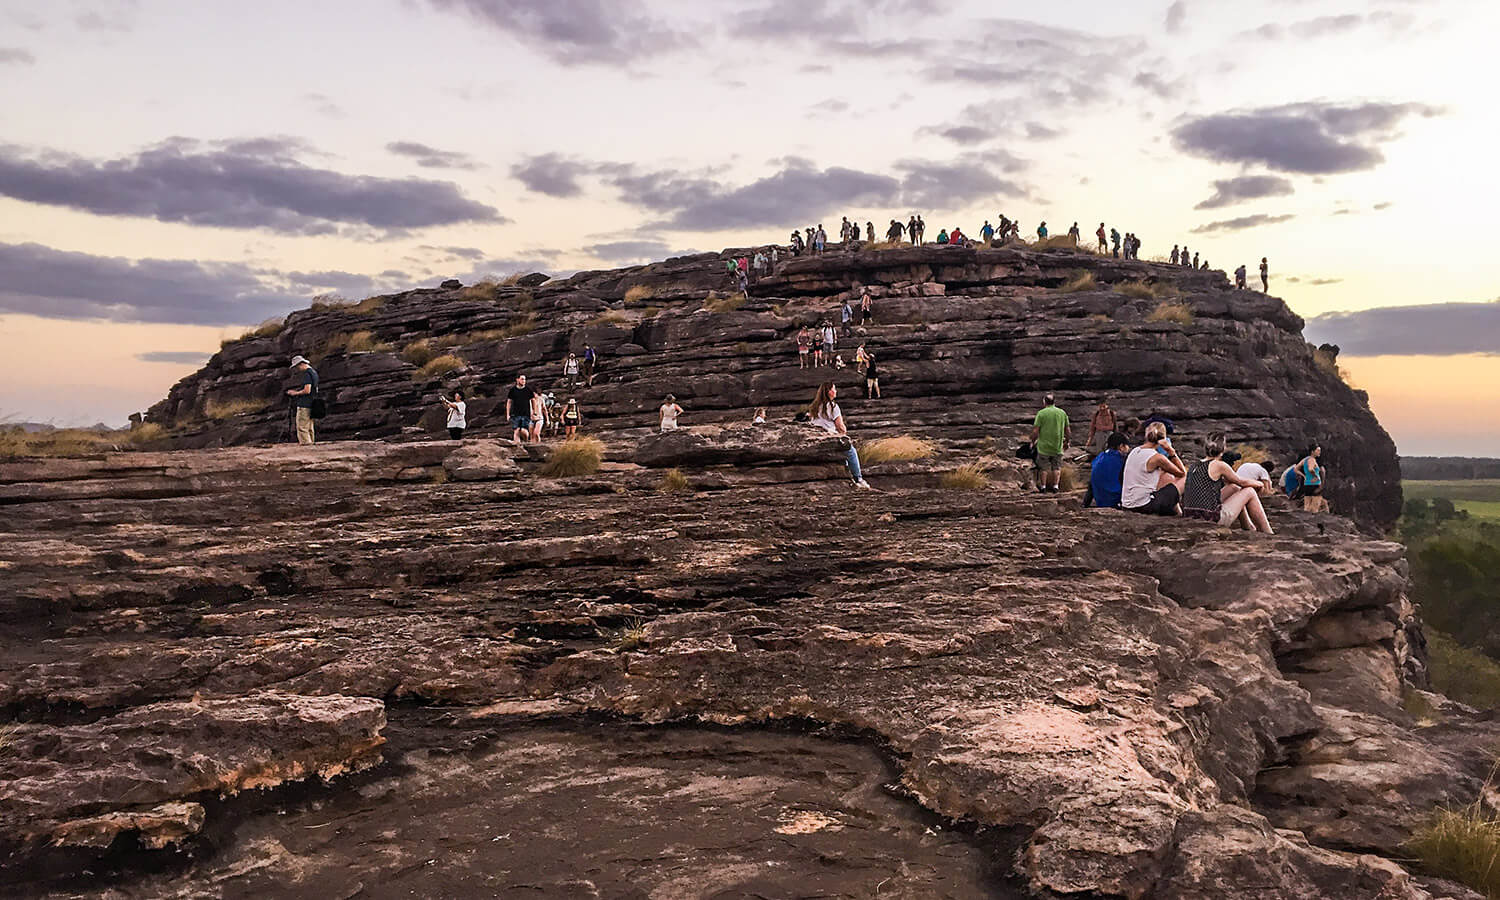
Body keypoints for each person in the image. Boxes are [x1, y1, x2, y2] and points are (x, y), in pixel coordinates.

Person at [1181, 433, 1274, 532]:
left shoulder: (1194, 465)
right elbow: (1242, 482)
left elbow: (1233, 484)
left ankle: (1249, 527)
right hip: (1209, 518)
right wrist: (1259, 484)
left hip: (1190, 514)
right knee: (1249, 491)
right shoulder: (1220, 465)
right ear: (1223, 448)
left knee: (1234, 488)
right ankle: (1268, 531)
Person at [807, 382, 871, 489]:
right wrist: (844, 433)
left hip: (816, 436)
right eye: (834, 389)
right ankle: (858, 479)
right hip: (829, 438)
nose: (836, 391)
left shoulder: (814, 406)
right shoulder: (833, 407)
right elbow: (841, 427)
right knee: (851, 452)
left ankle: (847, 475)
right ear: (829, 392)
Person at [1121, 422, 1186, 516]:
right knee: (1185, 478)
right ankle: (1181, 512)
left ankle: (1177, 511)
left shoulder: (1135, 450)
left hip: (1127, 504)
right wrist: (1171, 452)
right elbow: (1182, 473)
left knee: (1165, 476)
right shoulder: (1157, 458)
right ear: (1163, 438)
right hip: (1144, 506)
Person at [1029, 393, 1070, 493]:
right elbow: (1067, 429)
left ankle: (1043, 487)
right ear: (1054, 402)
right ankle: (1055, 486)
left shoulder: (1041, 413)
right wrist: (1067, 441)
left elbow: (1035, 431)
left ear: (1044, 402)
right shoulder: (1062, 413)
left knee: (1043, 468)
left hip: (1044, 447)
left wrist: (1032, 441)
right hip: (1057, 446)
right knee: (1056, 467)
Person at [1086, 432, 1129, 508]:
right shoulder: (1120, 459)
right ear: (1121, 446)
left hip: (1100, 499)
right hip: (1114, 499)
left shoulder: (1100, 456)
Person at [285, 355, 319, 445]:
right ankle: (311, 444)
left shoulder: (307, 374)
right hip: (312, 403)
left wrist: (295, 393)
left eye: (297, 367)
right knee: (309, 427)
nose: (297, 369)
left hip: (305, 404)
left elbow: (307, 390)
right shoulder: (314, 373)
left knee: (302, 427)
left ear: (301, 364)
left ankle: (306, 445)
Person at [1295, 444, 1329, 513]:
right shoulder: (1312, 460)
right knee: (1315, 507)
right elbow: (1311, 469)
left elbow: (1295, 469)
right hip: (1315, 484)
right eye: (1318, 450)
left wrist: (1304, 476)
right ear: (1312, 451)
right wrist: (1316, 476)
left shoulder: (1305, 459)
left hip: (1307, 483)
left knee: (1307, 505)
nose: (1319, 452)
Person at [505, 374, 534, 444]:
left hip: (526, 414)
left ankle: (526, 441)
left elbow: (533, 401)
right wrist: (508, 414)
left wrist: (533, 411)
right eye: (522, 379)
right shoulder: (513, 390)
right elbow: (509, 402)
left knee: (524, 430)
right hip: (516, 414)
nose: (524, 381)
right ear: (517, 380)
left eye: (524, 379)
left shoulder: (528, 390)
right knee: (516, 430)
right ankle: (517, 447)